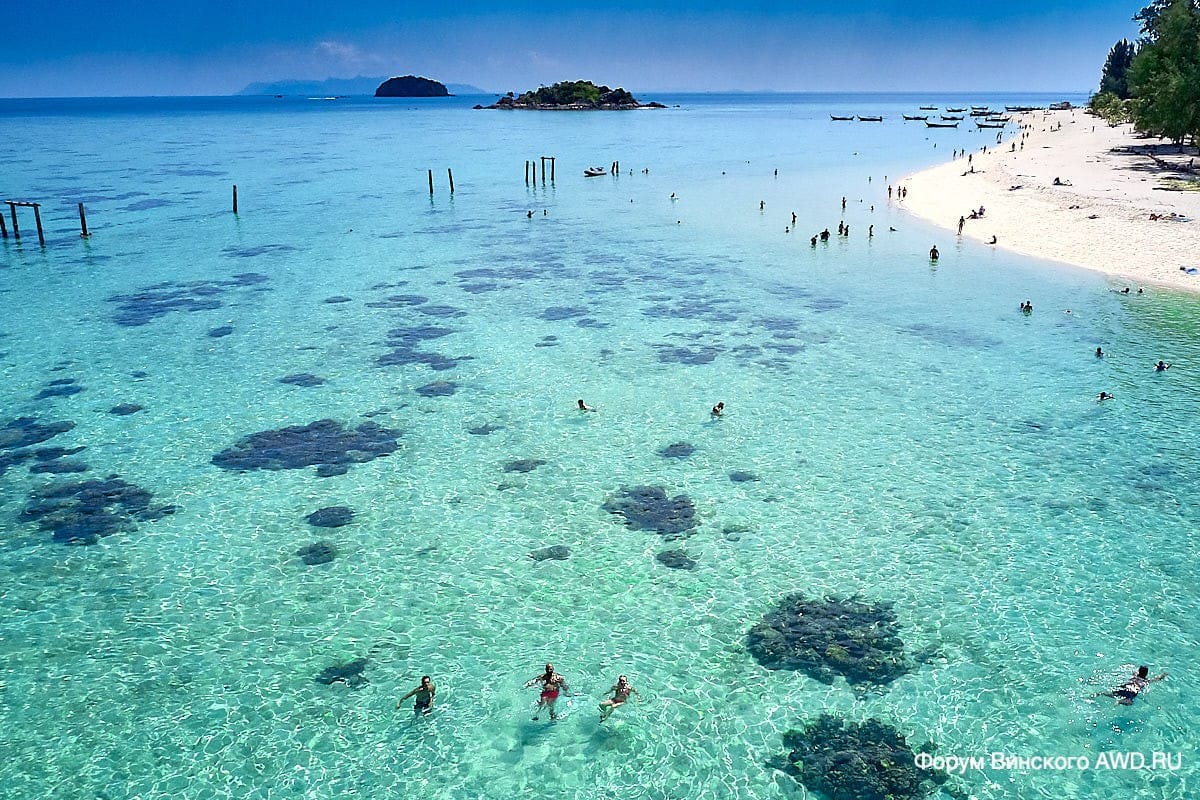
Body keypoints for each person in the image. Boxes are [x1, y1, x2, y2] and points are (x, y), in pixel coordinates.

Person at [1100, 666, 1167, 705]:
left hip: (1125, 686)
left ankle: (1100, 694)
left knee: (1113, 693)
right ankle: (1119, 701)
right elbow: (1158, 679)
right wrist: (1163, 675)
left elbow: (1133, 671)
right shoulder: (1146, 681)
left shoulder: (1135, 675)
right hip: (1132, 691)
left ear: (1139, 671)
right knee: (1130, 702)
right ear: (1146, 674)